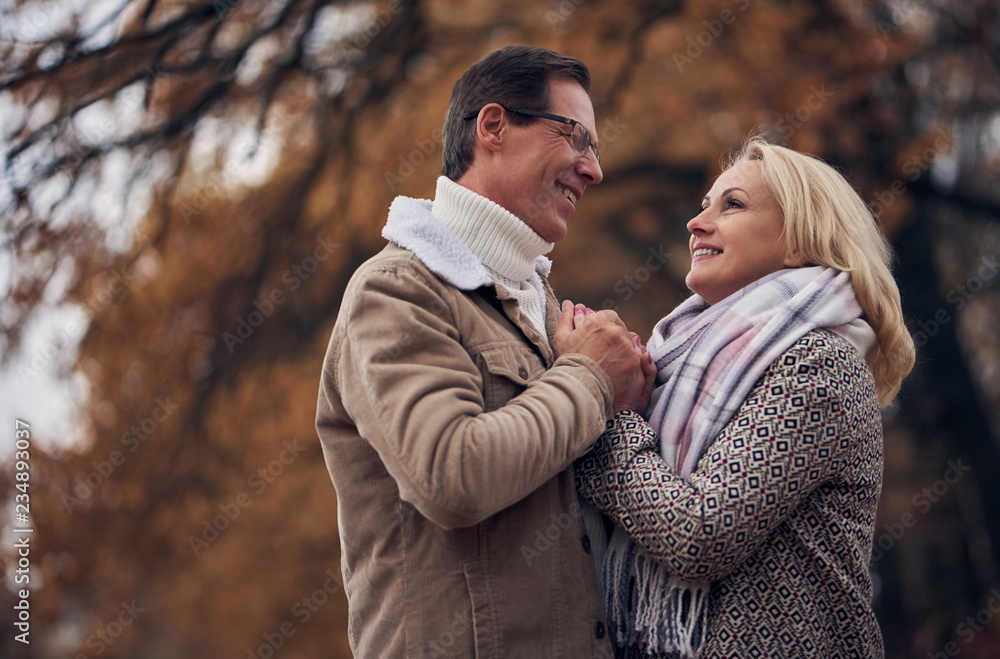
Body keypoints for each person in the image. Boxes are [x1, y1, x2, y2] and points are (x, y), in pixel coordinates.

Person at [315, 45, 651, 658]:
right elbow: (452, 477)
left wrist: (630, 397)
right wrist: (592, 383)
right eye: (577, 137)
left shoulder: (547, 310)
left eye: (595, 150)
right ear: (493, 127)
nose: (593, 169)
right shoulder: (394, 292)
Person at [573, 136, 916, 658]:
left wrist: (610, 419)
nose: (697, 222)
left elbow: (697, 532)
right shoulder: (683, 359)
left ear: (800, 240)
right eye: (704, 204)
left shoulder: (819, 364)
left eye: (731, 205)